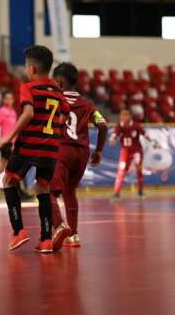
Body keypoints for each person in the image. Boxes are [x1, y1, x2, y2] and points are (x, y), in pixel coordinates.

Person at [0, 45, 69, 254]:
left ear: (31, 68)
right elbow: (64, 114)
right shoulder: (57, 89)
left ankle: (18, 231)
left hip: (28, 145)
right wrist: (53, 129)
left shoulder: (27, 87)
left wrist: (8, 138)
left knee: (8, 180)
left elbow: (28, 113)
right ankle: (46, 239)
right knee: (43, 188)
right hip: (50, 147)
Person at [49, 62, 108, 249]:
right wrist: (99, 150)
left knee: (47, 191)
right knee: (69, 191)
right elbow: (103, 124)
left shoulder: (54, 100)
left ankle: (59, 226)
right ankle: (73, 236)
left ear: (59, 81)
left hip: (61, 149)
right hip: (81, 152)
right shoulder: (88, 104)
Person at [109, 109, 158, 199]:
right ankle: (116, 193)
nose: (123, 117)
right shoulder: (120, 125)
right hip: (125, 151)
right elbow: (115, 133)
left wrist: (152, 142)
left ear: (129, 116)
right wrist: (112, 139)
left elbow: (145, 134)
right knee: (121, 170)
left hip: (136, 151)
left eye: (125, 115)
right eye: (122, 116)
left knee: (139, 170)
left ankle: (140, 191)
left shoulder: (136, 126)